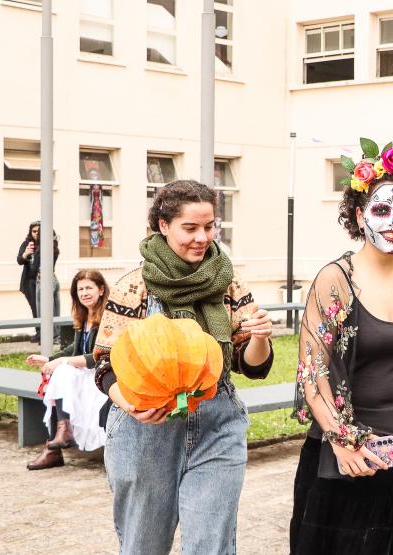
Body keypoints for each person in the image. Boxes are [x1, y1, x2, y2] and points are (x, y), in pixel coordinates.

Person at [290, 141, 393, 554]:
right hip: (349, 460)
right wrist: (342, 440)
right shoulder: (335, 280)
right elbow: (313, 373)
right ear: (357, 214)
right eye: (382, 210)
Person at [92, 179, 275, 554]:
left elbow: (250, 366)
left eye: (209, 227)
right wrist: (129, 405)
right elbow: (106, 365)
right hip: (147, 427)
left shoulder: (228, 282)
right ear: (163, 225)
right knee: (144, 544)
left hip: (216, 421)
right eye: (189, 228)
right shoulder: (135, 286)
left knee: (211, 544)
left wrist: (259, 337)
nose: (202, 237)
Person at [25, 269, 110, 470]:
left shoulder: (109, 318)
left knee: (62, 373)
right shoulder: (84, 315)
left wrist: (62, 361)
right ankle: (60, 438)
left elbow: (102, 355)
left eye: (89, 288)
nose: (84, 293)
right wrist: (49, 359)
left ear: (101, 289)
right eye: (80, 289)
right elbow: (75, 348)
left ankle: (58, 443)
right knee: (58, 376)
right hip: (83, 375)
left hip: (103, 375)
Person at [30, 223, 62, 343]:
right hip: (54, 279)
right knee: (55, 311)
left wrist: (30, 257)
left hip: (43, 280)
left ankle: (46, 338)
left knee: (42, 312)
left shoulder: (40, 250)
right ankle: (57, 337)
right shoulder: (55, 248)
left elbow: (33, 269)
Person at [16, 221, 40, 339]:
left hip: (43, 281)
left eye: (39, 231)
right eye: (34, 231)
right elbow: (19, 260)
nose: (36, 234)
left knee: (46, 308)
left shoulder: (47, 244)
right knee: (35, 307)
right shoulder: (27, 243)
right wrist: (26, 254)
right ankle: (39, 333)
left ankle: (49, 333)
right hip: (30, 281)